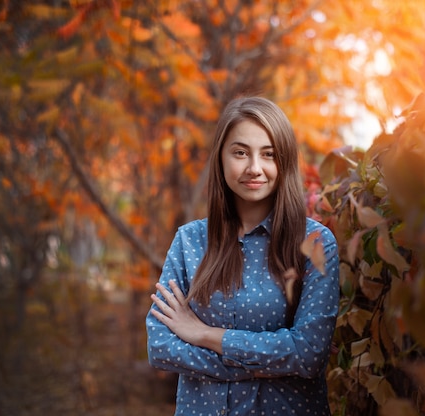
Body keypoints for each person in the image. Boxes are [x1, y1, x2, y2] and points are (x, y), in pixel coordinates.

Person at [145, 96, 339, 415]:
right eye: (240, 152)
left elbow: (308, 354)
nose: (254, 168)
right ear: (221, 158)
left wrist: (205, 334)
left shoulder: (315, 243)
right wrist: (266, 364)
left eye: (268, 154)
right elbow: (162, 348)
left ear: (285, 161)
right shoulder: (189, 241)